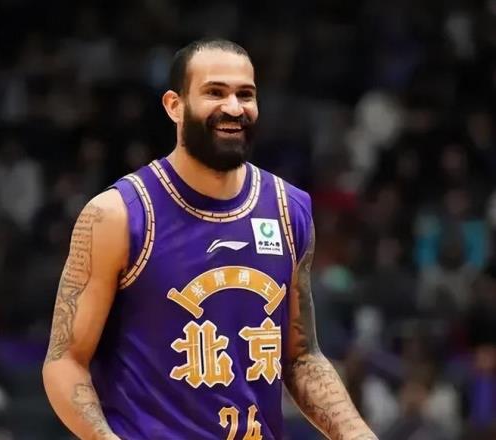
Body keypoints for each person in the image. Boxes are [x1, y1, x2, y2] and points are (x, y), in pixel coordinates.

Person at [42, 38, 377, 440]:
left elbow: (301, 357)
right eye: (215, 92)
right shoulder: (117, 214)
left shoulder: (289, 209)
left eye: (245, 94)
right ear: (174, 105)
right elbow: (64, 361)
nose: (234, 107)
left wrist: (357, 434)